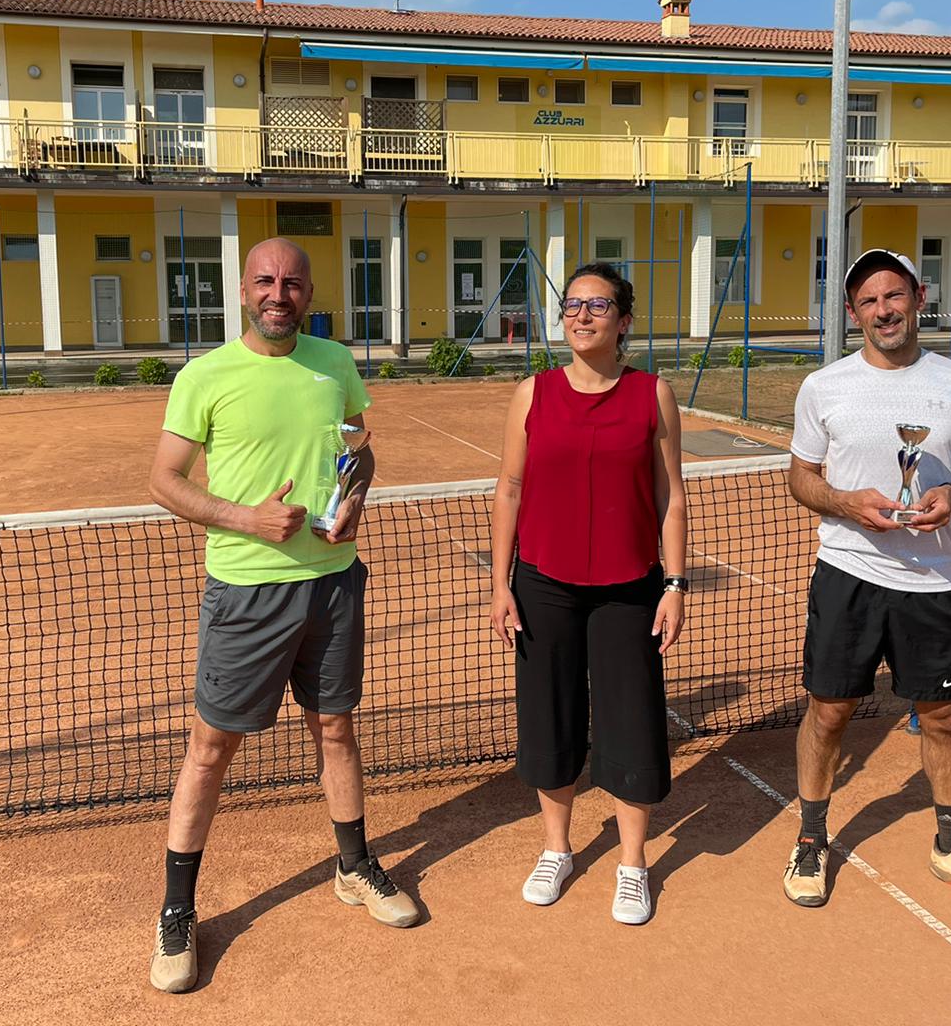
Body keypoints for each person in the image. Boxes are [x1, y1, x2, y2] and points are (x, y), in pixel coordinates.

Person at [146, 238, 420, 995]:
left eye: (292, 282)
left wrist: (356, 496)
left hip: (333, 584)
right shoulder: (204, 377)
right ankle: (176, 910)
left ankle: (354, 865)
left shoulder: (334, 363)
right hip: (246, 593)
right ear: (243, 290)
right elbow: (164, 481)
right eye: (265, 281)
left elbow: (360, 447)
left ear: (308, 291)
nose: (279, 293)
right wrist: (245, 519)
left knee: (336, 727)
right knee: (211, 749)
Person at [782, 248, 951, 915]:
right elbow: (801, 477)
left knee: (944, 717)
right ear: (853, 313)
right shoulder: (823, 387)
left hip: (932, 581)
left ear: (918, 296)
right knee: (829, 712)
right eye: (867, 302)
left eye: (893, 295)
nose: (883, 310)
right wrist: (847, 502)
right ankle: (811, 836)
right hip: (847, 574)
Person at [488, 262, 689, 926]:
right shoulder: (533, 393)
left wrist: (675, 584)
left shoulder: (652, 395)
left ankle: (632, 864)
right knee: (551, 717)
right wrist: (501, 586)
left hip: (630, 589)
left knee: (632, 723)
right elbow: (510, 491)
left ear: (623, 320)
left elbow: (671, 496)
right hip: (544, 586)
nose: (581, 316)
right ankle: (558, 849)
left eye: (597, 305)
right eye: (572, 305)